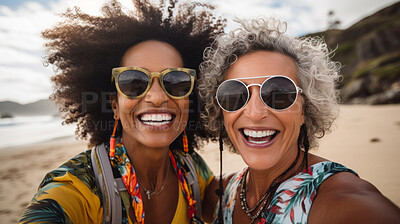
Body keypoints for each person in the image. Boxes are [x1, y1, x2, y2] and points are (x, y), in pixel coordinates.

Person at [19, 0, 224, 223]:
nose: (157, 97)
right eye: (134, 82)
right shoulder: (78, 187)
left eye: (176, 82)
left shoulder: (191, 168)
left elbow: (238, 196)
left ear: (189, 100)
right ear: (114, 105)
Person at [198, 17, 400, 224]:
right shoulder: (221, 195)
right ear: (221, 111)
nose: (255, 112)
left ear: (305, 108)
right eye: (234, 95)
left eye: (279, 93)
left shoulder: (341, 200)